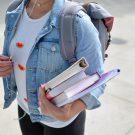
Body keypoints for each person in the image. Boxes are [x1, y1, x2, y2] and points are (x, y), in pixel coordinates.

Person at [0, 0, 105, 135]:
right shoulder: (14, 10)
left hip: (62, 124)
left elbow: (97, 79)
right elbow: (14, 55)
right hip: (24, 110)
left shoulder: (77, 21)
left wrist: (68, 113)